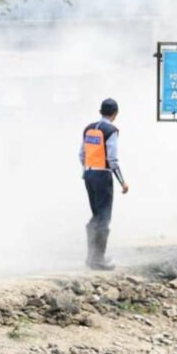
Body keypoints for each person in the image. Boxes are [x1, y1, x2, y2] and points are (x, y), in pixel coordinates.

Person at [79, 98, 129, 270]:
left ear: (101, 111)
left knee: (96, 215)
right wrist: (122, 182)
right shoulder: (111, 130)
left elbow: (81, 153)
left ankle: (91, 257)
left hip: (88, 174)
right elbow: (112, 159)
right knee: (104, 217)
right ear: (115, 114)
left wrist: (88, 170)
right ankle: (98, 259)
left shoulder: (89, 128)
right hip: (102, 175)